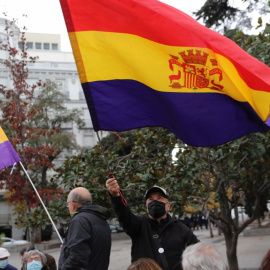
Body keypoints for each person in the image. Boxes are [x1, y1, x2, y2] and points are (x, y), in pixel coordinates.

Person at [106, 178, 199, 270]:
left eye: (159, 198)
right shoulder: (138, 225)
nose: (155, 202)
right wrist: (116, 196)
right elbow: (123, 214)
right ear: (146, 207)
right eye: (150, 199)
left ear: (168, 206)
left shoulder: (182, 230)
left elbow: (198, 253)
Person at [58, 187, 111, 270]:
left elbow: (77, 258)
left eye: (67, 203)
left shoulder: (79, 220)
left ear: (72, 204)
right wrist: (66, 249)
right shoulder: (101, 219)